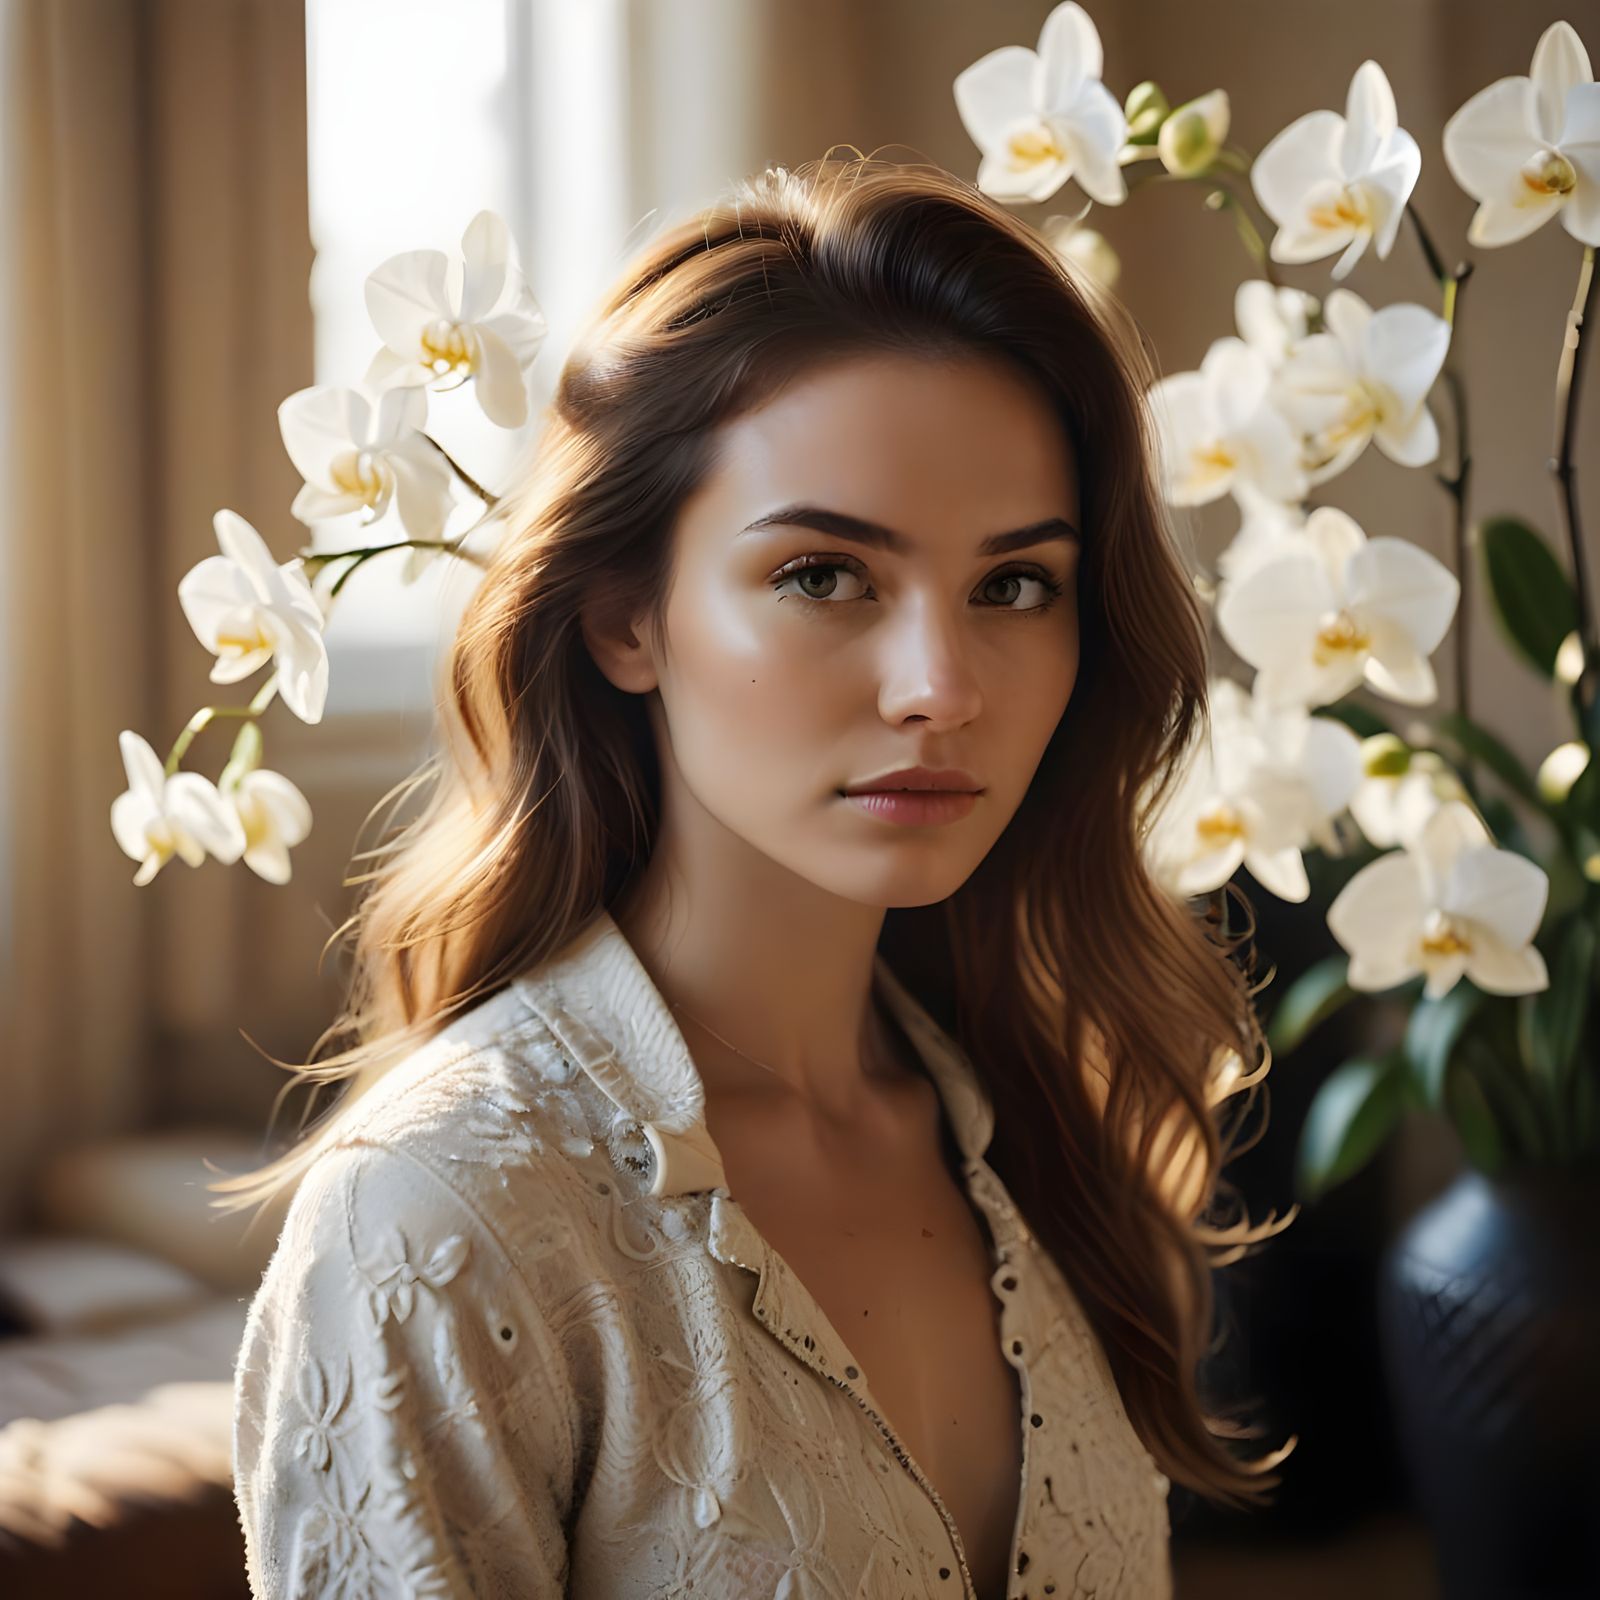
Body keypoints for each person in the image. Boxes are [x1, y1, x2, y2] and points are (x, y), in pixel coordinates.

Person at [221, 154, 1293, 1600]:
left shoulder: (1051, 1134)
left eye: (1015, 584)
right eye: (823, 574)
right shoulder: (441, 1222)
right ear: (624, 618)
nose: (941, 685)